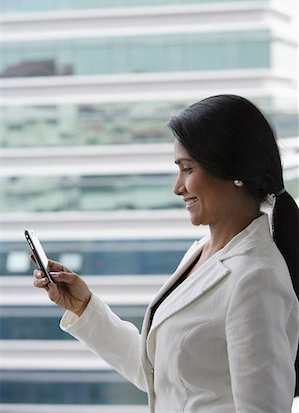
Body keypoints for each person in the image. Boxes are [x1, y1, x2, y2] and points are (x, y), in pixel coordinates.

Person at [33, 94, 299, 413]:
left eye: (187, 169)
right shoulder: (203, 253)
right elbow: (161, 375)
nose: (178, 187)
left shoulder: (256, 277)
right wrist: (84, 307)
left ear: (234, 171)